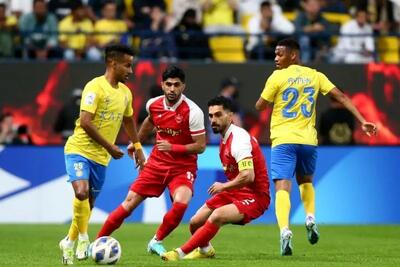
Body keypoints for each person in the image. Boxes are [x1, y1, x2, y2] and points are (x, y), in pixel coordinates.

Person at [254, 38, 377, 256]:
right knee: (306, 182)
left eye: (279, 54)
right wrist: (362, 120)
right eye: (275, 54)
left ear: (293, 55)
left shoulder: (277, 76)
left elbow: (260, 105)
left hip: (283, 140)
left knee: (282, 186)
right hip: (308, 141)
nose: (275, 58)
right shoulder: (315, 75)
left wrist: (271, 98)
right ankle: (310, 217)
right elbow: (340, 96)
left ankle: (285, 231)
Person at [96, 66, 206, 257]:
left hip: (182, 167)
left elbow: (201, 146)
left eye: (177, 85)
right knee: (128, 204)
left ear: (183, 86)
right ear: (162, 85)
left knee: (181, 203)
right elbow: (150, 121)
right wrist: (136, 143)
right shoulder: (153, 104)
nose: (172, 89)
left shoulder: (193, 112)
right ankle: (97, 242)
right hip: (156, 164)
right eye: (169, 84)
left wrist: (174, 148)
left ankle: (156, 241)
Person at [58, 44, 146, 265]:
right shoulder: (94, 87)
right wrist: (110, 146)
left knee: (89, 203)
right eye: (127, 65)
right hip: (78, 149)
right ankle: (83, 240)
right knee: (81, 192)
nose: (131, 70)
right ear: (112, 63)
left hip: (101, 158)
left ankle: (69, 240)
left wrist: (136, 144)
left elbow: (128, 120)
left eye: (132, 66)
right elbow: (86, 122)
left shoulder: (125, 93)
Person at [162, 96, 270, 261]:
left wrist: (224, 187)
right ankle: (205, 250)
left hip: (255, 196)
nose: (213, 120)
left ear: (230, 116)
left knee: (218, 215)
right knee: (195, 222)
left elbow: (248, 176)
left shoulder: (239, 139)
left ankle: (179, 253)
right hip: (236, 192)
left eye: (218, 115)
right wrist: (228, 189)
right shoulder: (224, 139)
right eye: (211, 116)